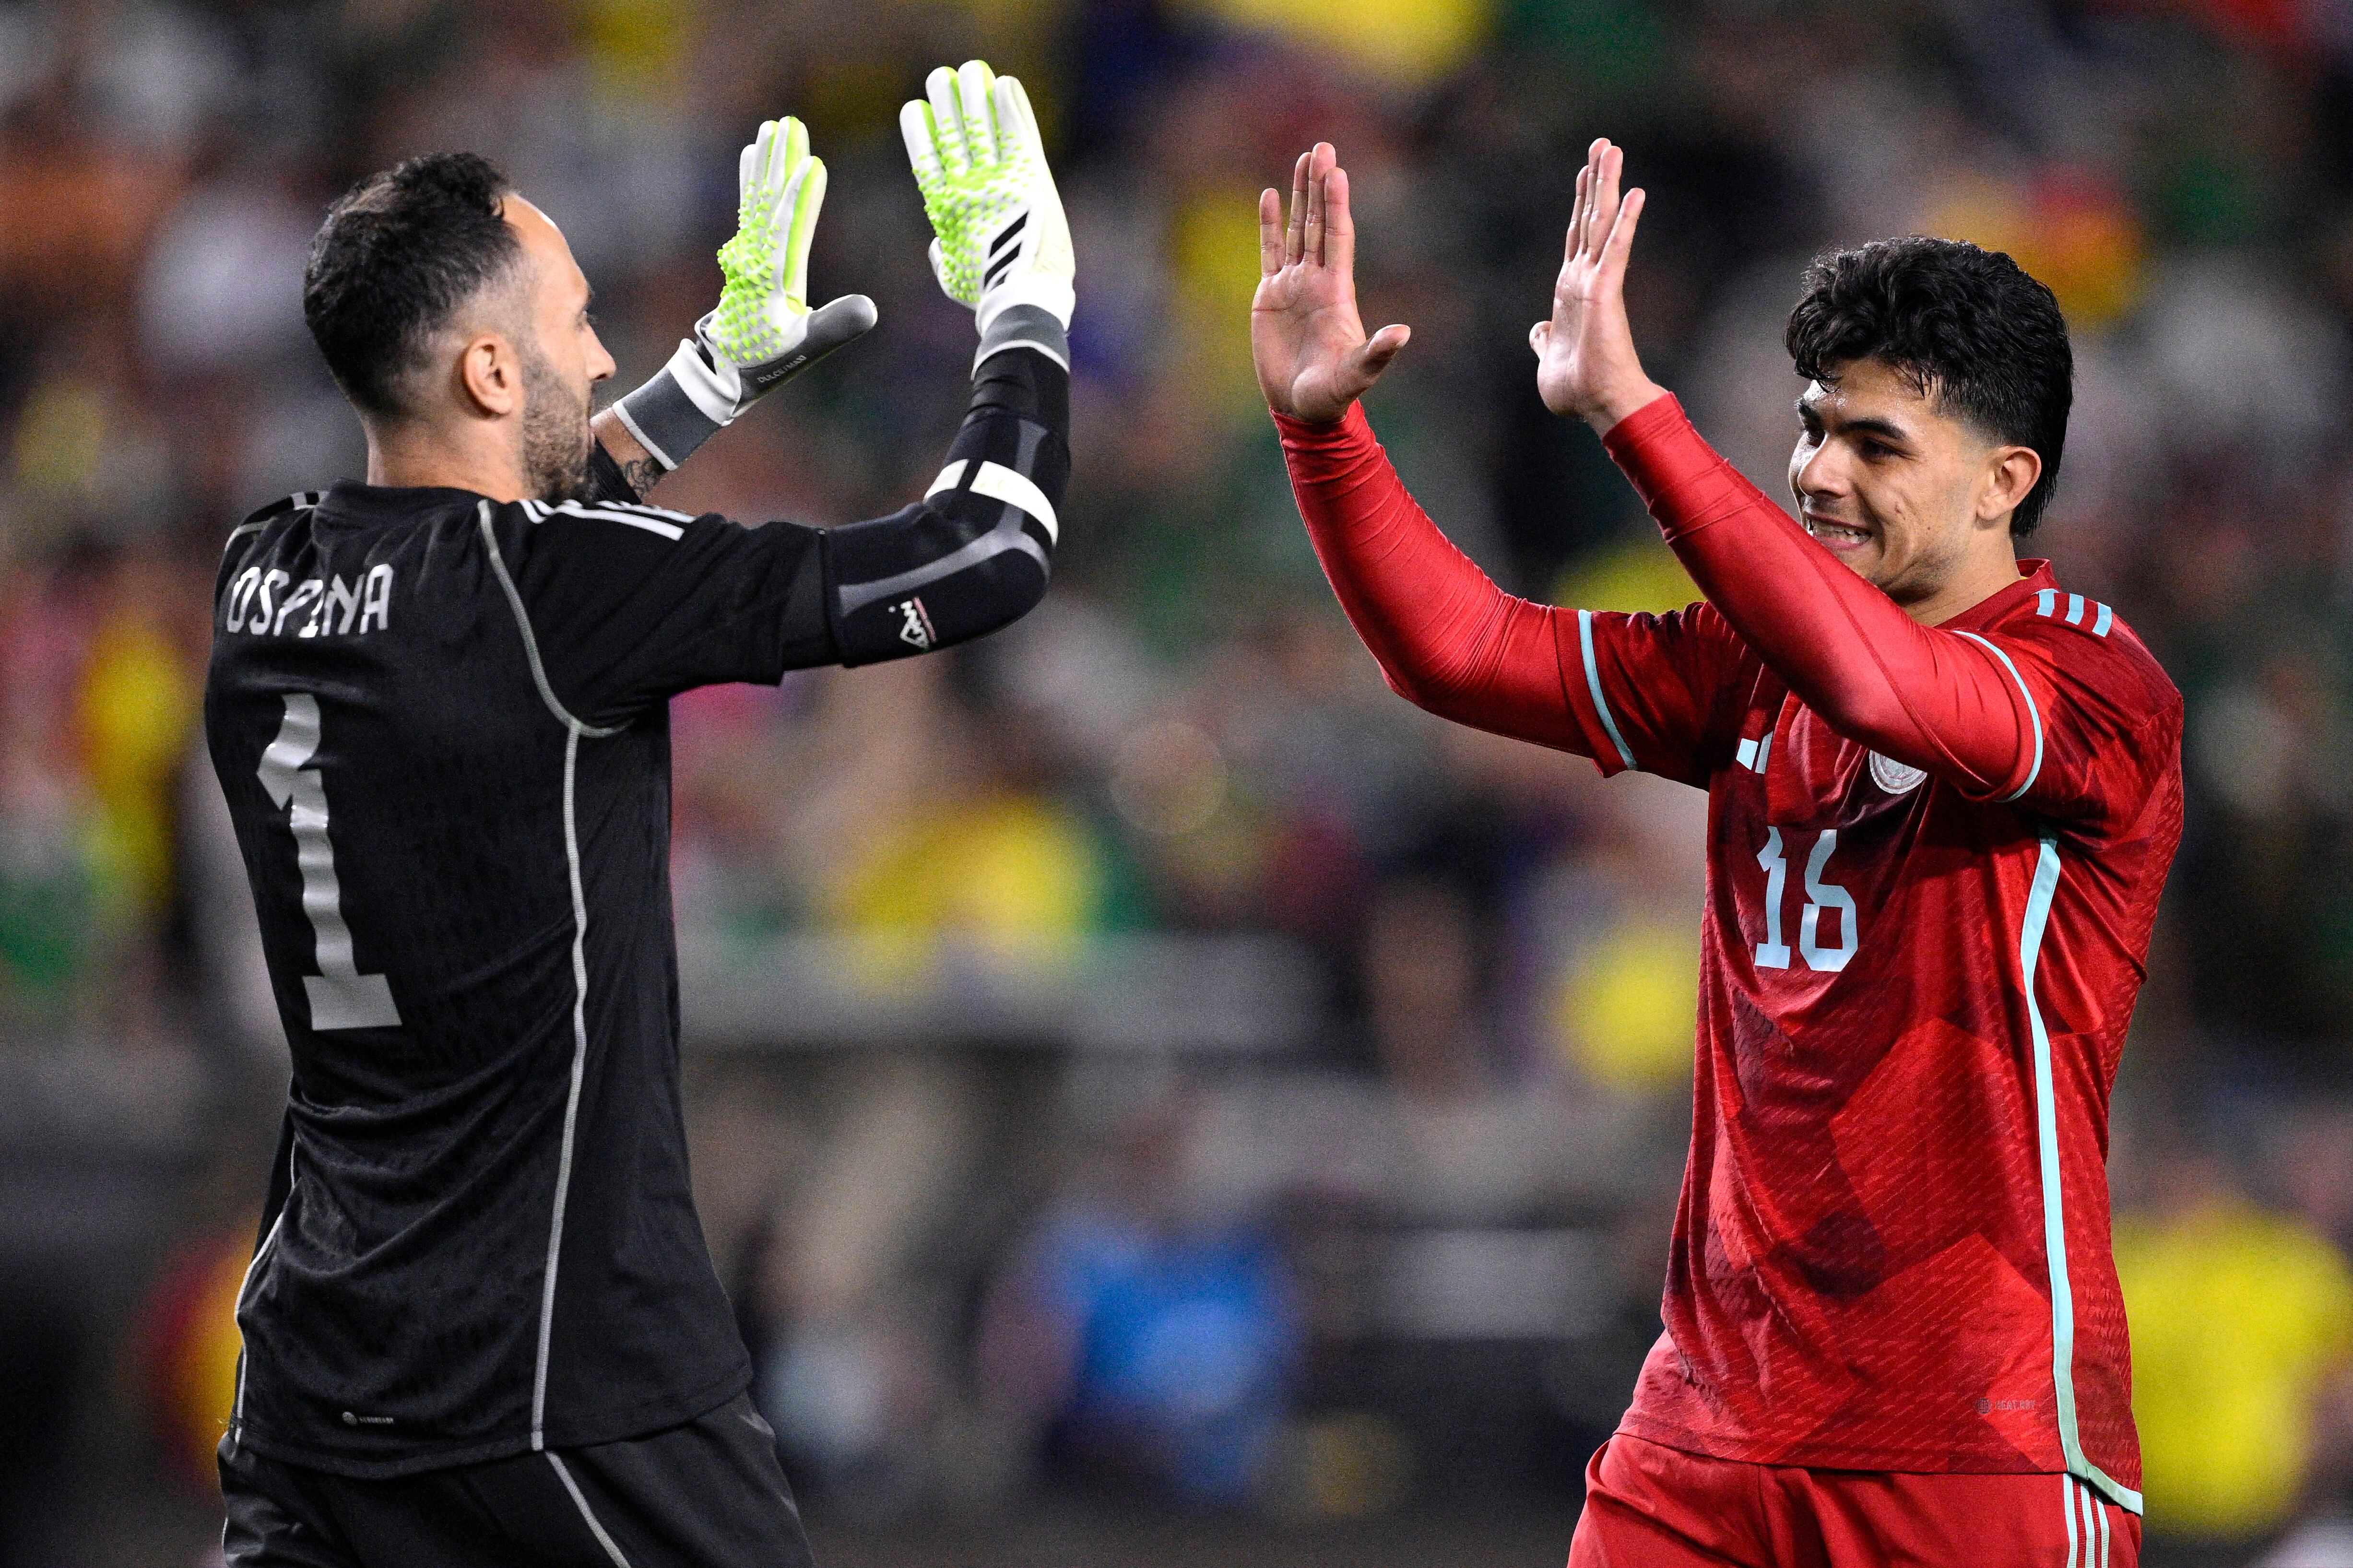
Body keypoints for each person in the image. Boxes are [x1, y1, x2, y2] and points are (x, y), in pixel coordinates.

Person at [1253, 139, 2181, 1566]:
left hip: (1968, 1430)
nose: (1817, 472)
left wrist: (1631, 413)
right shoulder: (1753, 668)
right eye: (1812, 428)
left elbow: (1887, 695)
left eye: (1876, 446)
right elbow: (1461, 650)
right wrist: (1322, 436)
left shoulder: (2092, 690)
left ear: (2004, 482)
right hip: (1705, 1422)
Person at [206, 59, 1073, 1567]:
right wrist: (1026, 302)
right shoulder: (560, 599)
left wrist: (707, 384)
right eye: (577, 326)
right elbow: (986, 550)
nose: (606, 361)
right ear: (487, 373)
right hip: (553, 1375)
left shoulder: (261, 574)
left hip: (315, 1373)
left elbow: (493, 553)